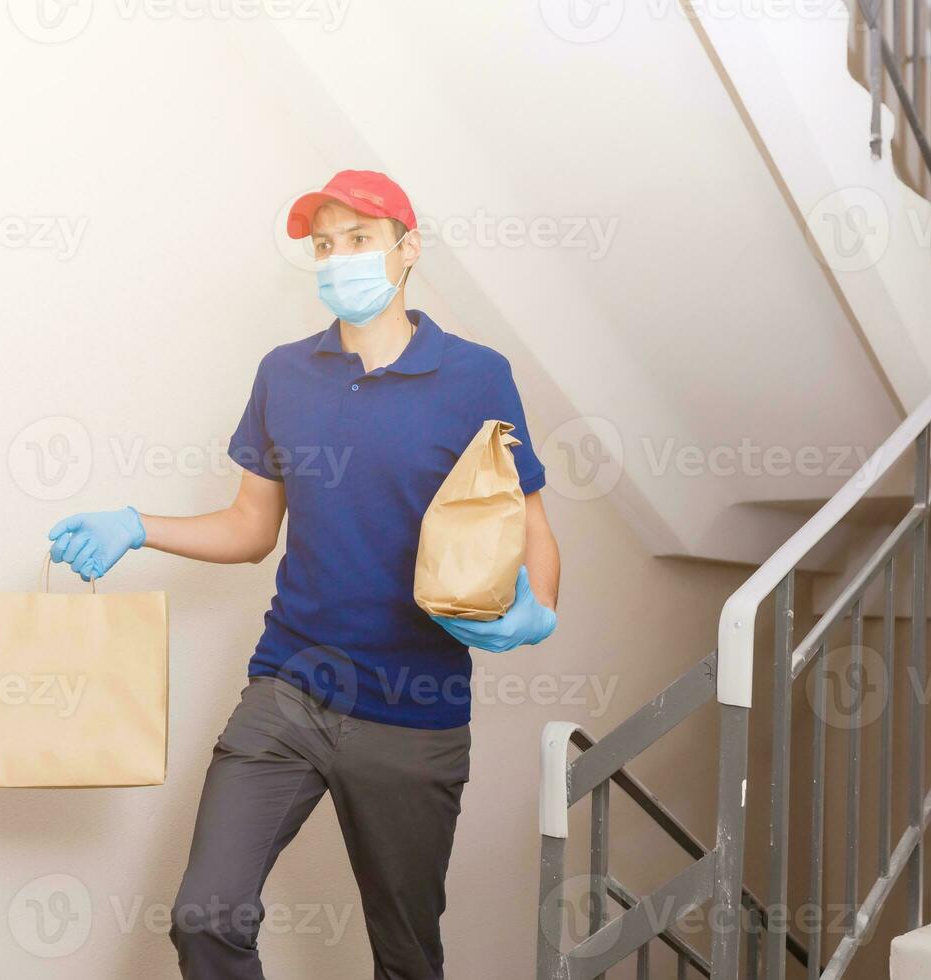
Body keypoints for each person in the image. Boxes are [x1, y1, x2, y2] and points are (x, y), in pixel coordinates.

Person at [46, 169, 560, 979]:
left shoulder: (476, 375)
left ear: (407, 249)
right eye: (325, 244)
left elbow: (530, 522)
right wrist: (139, 526)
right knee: (205, 917)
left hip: (413, 711)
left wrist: (540, 609)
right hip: (289, 687)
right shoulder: (284, 373)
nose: (339, 257)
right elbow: (252, 528)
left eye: (359, 239)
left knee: (407, 957)